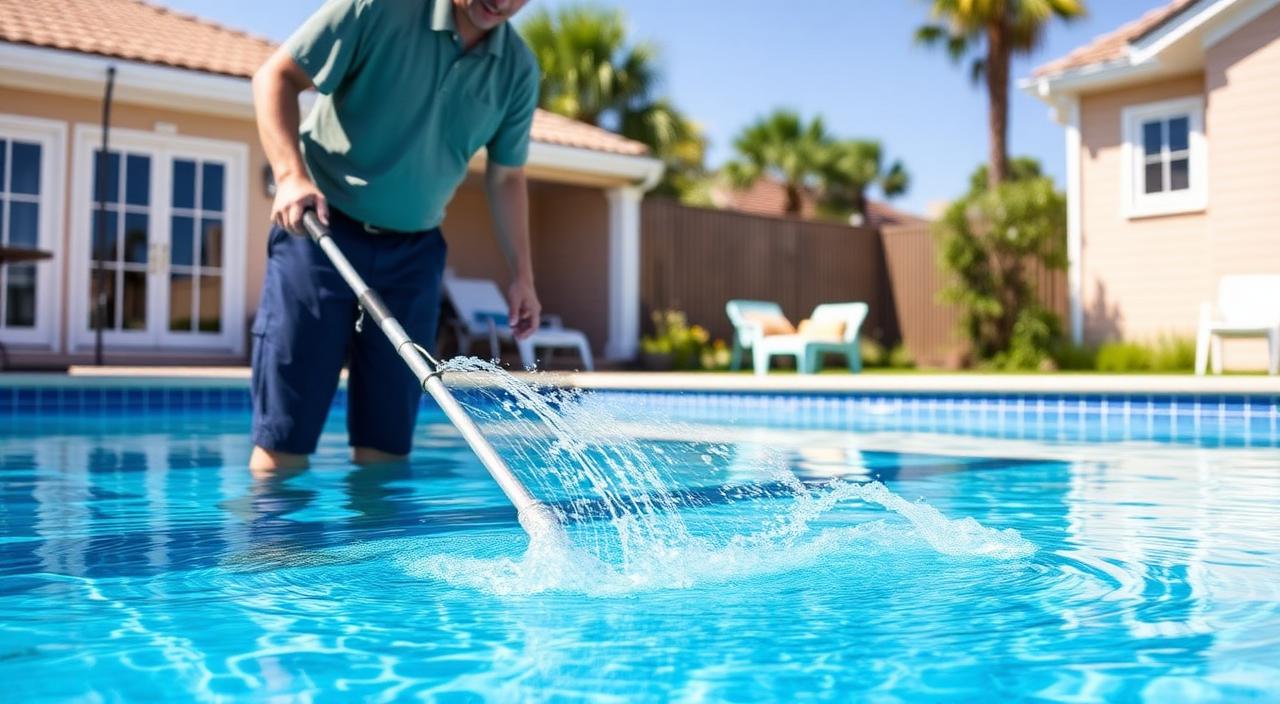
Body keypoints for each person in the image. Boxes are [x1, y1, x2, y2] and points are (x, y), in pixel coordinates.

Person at [249, 0, 539, 472]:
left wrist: (522, 276)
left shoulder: (518, 69)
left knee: (387, 448)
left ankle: (378, 549)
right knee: (284, 439)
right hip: (321, 234)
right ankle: (278, 547)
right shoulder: (378, 7)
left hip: (414, 256)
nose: (503, 2)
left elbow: (507, 177)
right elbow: (275, 77)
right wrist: (290, 175)